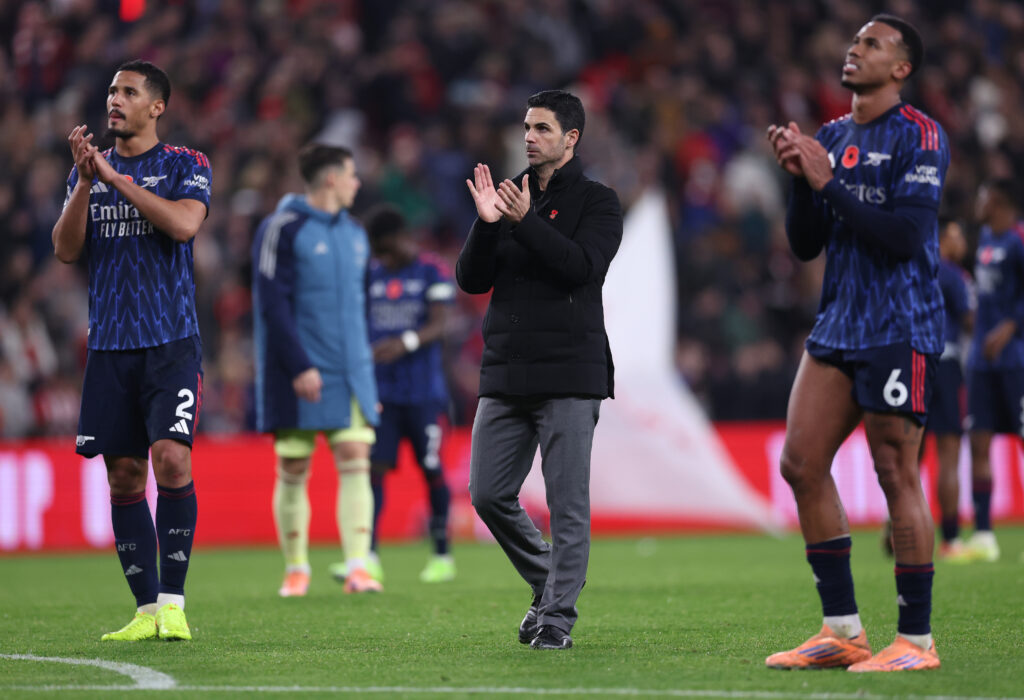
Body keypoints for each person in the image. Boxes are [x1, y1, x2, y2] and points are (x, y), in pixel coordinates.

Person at [766, 15, 949, 671]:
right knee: (800, 465)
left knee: (894, 471)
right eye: (855, 41)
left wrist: (826, 183)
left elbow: (904, 238)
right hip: (840, 323)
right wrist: (798, 176)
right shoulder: (832, 137)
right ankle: (842, 631)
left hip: (900, 325)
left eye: (873, 43)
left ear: (901, 67)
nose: (855, 48)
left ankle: (916, 642)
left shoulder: (921, 136)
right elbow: (807, 243)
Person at [51, 60, 211, 641]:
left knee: (171, 459)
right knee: (123, 478)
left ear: (156, 107)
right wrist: (88, 182)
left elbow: (184, 227)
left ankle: (174, 602)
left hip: (170, 342)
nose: (114, 100)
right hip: (111, 345)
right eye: (112, 91)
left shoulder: (185, 165)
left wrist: (116, 181)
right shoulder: (87, 172)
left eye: (129, 92)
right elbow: (66, 250)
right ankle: (146, 611)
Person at [457, 90, 623, 650]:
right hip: (506, 371)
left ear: (570, 139)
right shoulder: (508, 198)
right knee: (486, 493)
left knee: (567, 504)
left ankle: (556, 619)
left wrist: (525, 222)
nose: (529, 137)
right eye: (527, 127)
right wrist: (486, 225)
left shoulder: (599, 202)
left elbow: (582, 267)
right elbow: (472, 281)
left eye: (543, 129)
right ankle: (547, 581)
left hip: (571, 375)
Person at [251, 143, 381, 597]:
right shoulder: (281, 229)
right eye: (351, 174)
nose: (356, 183)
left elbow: (362, 310)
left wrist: (366, 374)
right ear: (330, 178)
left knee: (356, 460)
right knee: (294, 464)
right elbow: (271, 303)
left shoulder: (357, 234)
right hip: (299, 372)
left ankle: (359, 567)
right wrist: (298, 364)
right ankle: (296, 568)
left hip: (350, 374)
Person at [329, 205, 457, 584]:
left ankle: (442, 556)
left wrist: (406, 341)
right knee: (373, 472)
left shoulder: (431, 269)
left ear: (404, 238)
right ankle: (367, 556)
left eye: (386, 249)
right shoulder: (371, 275)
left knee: (431, 470)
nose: (382, 257)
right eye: (377, 251)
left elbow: (441, 322)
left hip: (423, 393)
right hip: (381, 392)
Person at [881, 218, 973, 559]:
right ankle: (950, 538)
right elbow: (969, 321)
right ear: (944, 237)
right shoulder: (952, 274)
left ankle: (896, 529)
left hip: (906, 362)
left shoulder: (907, 267)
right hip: (945, 363)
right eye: (957, 234)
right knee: (948, 453)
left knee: (907, 456)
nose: (961, 242)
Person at [960, 178, 1024, 563]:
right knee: (979, 442)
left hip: (1015, 360)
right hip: (981, 363)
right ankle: (984, 532)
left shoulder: (1017, 242)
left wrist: (1009, 327)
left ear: (997, 201)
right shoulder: (983, 238)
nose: (978, 204)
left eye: (982, 197)